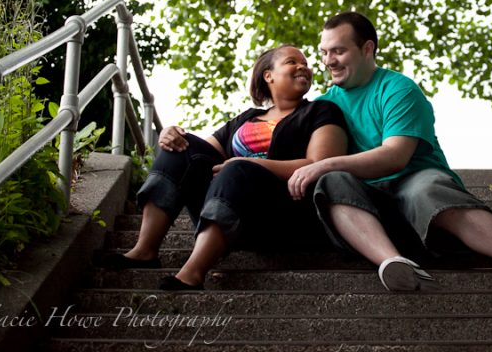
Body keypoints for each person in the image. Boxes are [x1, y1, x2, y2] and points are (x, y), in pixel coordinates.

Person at [286, 12, 492, 292]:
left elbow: (395, 156)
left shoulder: (397, 88)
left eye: (338, 51)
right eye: (324, 52)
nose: (327, 61)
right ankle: (393, 263)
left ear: (367, 48)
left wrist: (323, 164)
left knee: (424, 188)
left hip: (419, 189)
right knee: (332, 182)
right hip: (372, 208)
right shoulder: (324, 105)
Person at [101, 45, 348, 290]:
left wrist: (250, 163)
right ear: (268, 75)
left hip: (283, 215)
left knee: (237, 170)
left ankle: (193, 272)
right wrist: (170, 134)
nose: (303, 66)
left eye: (305, 63)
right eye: (292, 61)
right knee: (180, 148)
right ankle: (145, 250)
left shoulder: (320, 111)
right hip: (230, 209)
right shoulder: (246, 119)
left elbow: (320, 165)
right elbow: (197, 154)